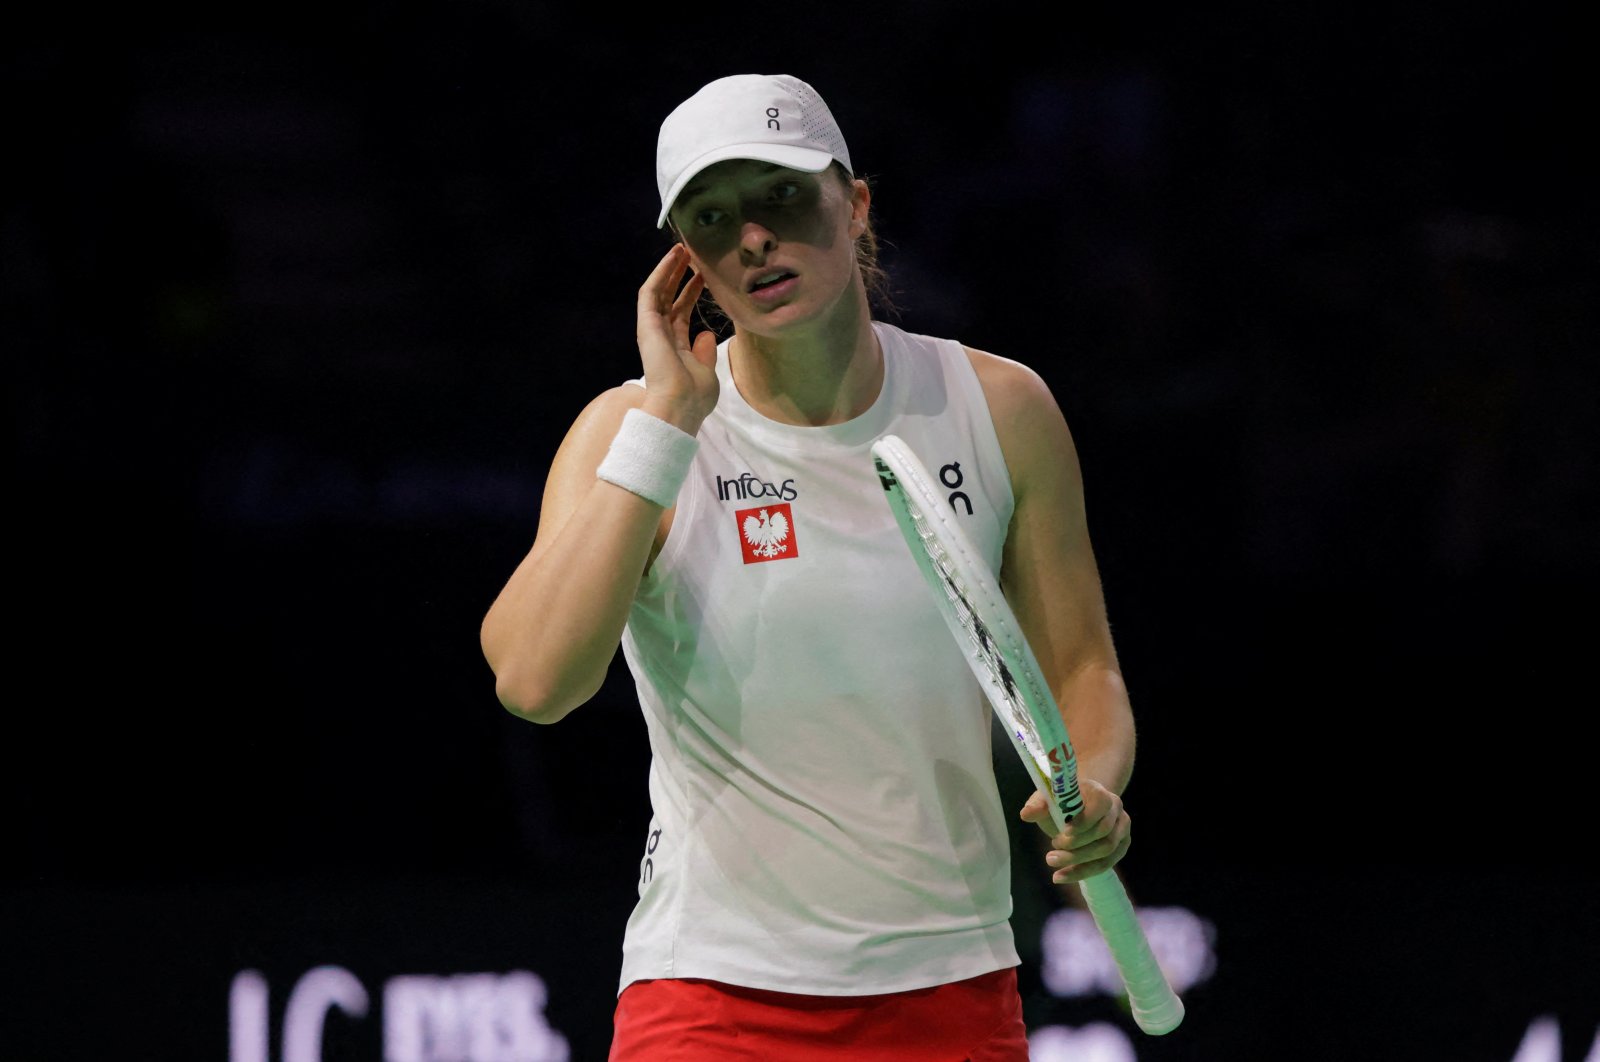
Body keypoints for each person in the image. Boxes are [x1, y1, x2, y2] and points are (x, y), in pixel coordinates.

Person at [480, 73, 1139, 1061]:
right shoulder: (631, 430)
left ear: (855, 203)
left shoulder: (997, 409)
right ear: (685, 262)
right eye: (712, 217)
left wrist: (1094, 785)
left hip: (948, 987)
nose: (752, 237)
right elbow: (535, 681)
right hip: (711, 996)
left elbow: (1081, 668)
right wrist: (668, 422)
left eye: (782, 196)